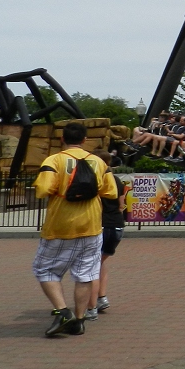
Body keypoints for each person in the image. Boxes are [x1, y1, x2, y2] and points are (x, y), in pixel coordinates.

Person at [32, 122, 118, 337]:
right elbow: (111, 192)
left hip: (60, 225)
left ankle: (62, 311)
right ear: (84, 140)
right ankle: (79, 320)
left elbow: (42, 190)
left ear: (63, 139)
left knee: (45, 269)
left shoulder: (54, 160)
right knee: (85, 273)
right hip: (91, 225)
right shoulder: (98, 162)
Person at [85, 151, 127, 320]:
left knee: (92, 268)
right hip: (117, 225)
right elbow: (121, 204)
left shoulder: (95, 180)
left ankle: (91, 306)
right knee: (100, 261)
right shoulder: (117, 180)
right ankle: (102, 297)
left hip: (100, 224)